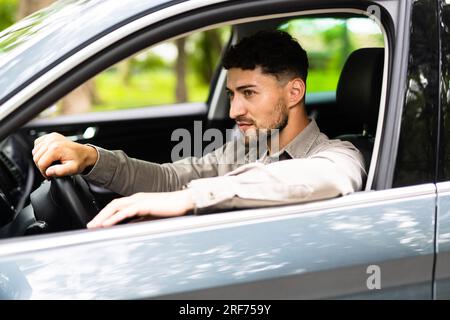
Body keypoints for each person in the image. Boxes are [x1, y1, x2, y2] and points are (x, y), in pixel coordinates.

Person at [32, 30, 366, 229]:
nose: (235, 111)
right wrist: (91, 157)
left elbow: (324, 178)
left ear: (294, 92)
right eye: (232, 95)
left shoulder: (339, 154)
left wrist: (190, 199)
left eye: (249, 93)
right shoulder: (246, 149)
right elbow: (168, 179)